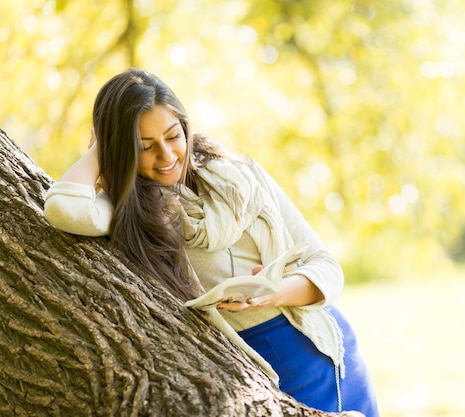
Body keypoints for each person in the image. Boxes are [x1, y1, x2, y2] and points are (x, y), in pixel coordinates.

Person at [44, 68, 379, 416]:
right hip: (258, 370)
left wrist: (273, 291)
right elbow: (63, 208)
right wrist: (101, 148)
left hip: (326, 347)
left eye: (173, 136)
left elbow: (325, 266)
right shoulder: (129, 211)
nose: (167, 155)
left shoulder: (240, 173)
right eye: (145, 147)